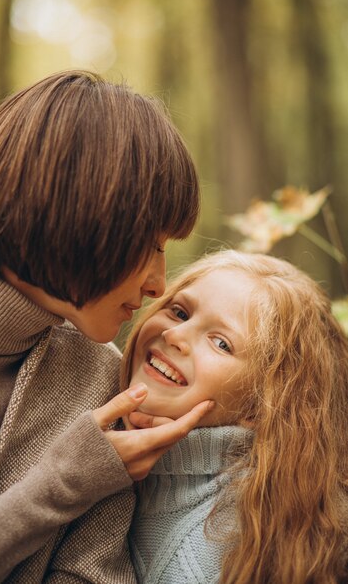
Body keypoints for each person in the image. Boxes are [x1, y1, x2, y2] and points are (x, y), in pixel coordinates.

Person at [0, 70, 211, 583]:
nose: (158, 284)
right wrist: (57, 487)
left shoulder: (101, 380)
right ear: (82, 211)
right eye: (152, 246)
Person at [124, 250, 348, 584]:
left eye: (221, 343)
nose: (175, 336)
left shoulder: (248, 539)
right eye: (180, 312)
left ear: (261, 406)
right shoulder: (89, 423)